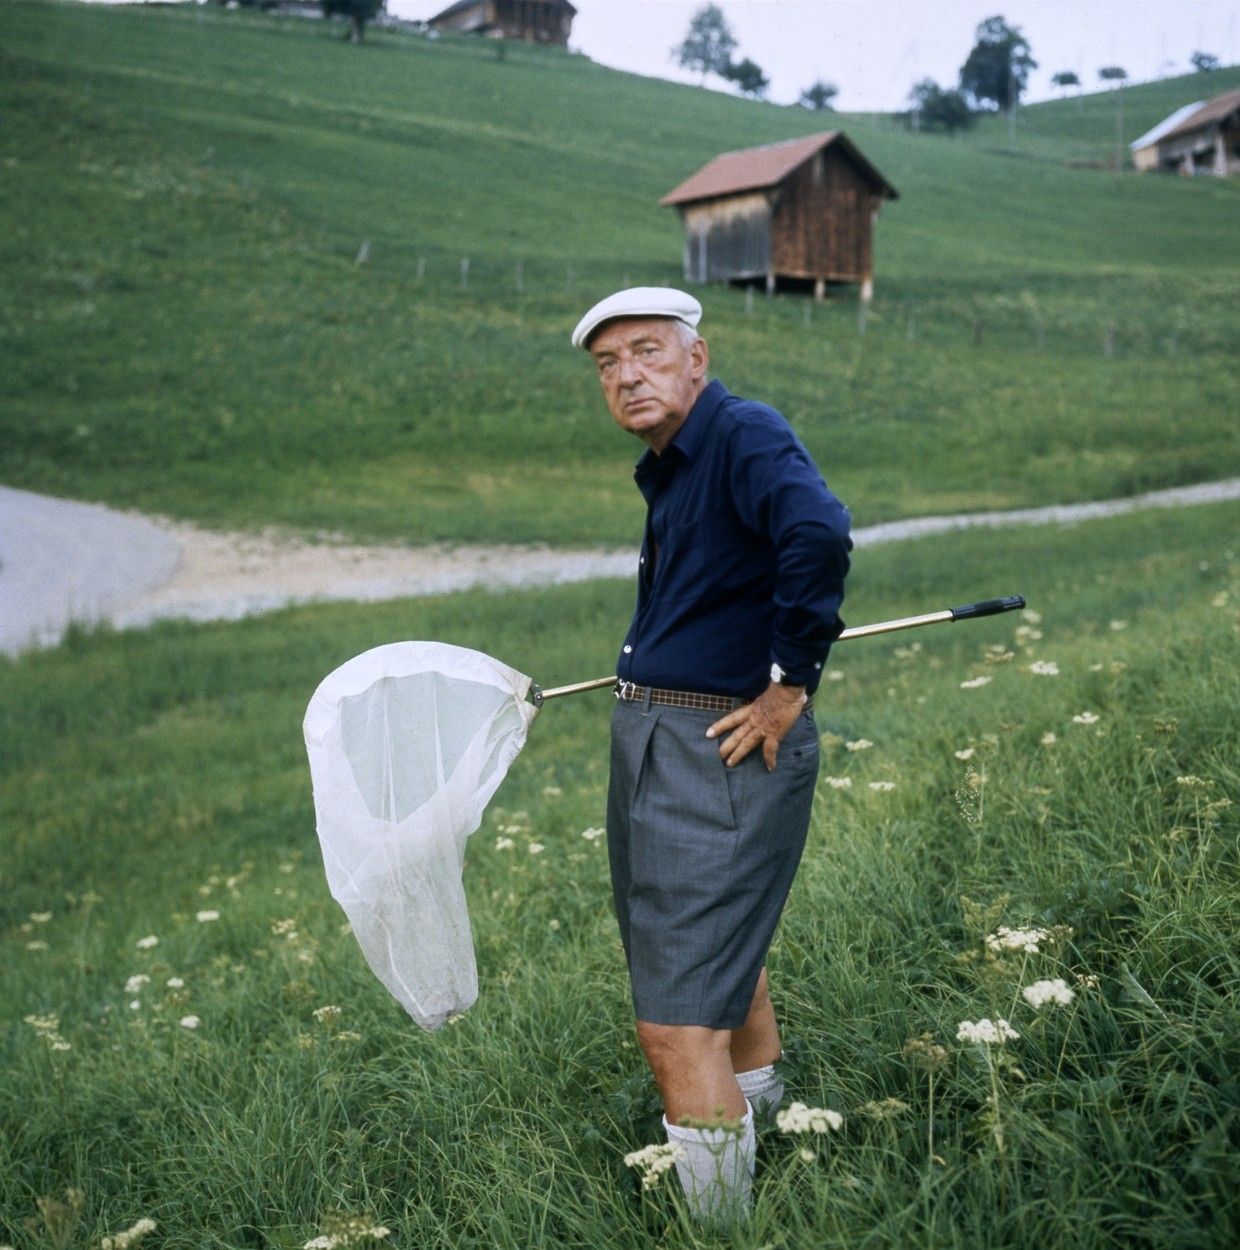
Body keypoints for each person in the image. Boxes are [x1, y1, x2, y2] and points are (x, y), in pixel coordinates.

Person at [570, 287, 852, 1218]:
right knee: (722, 964)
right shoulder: (675, 461)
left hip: (716, 750)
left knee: (676, 1021)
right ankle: (766, 1141)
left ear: (697, 357)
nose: (627, 376)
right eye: (609, 365)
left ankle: (723, 1226)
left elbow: (818, 530)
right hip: (668, 743)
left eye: (647, 352)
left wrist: (787, 686)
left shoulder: (741, 431)